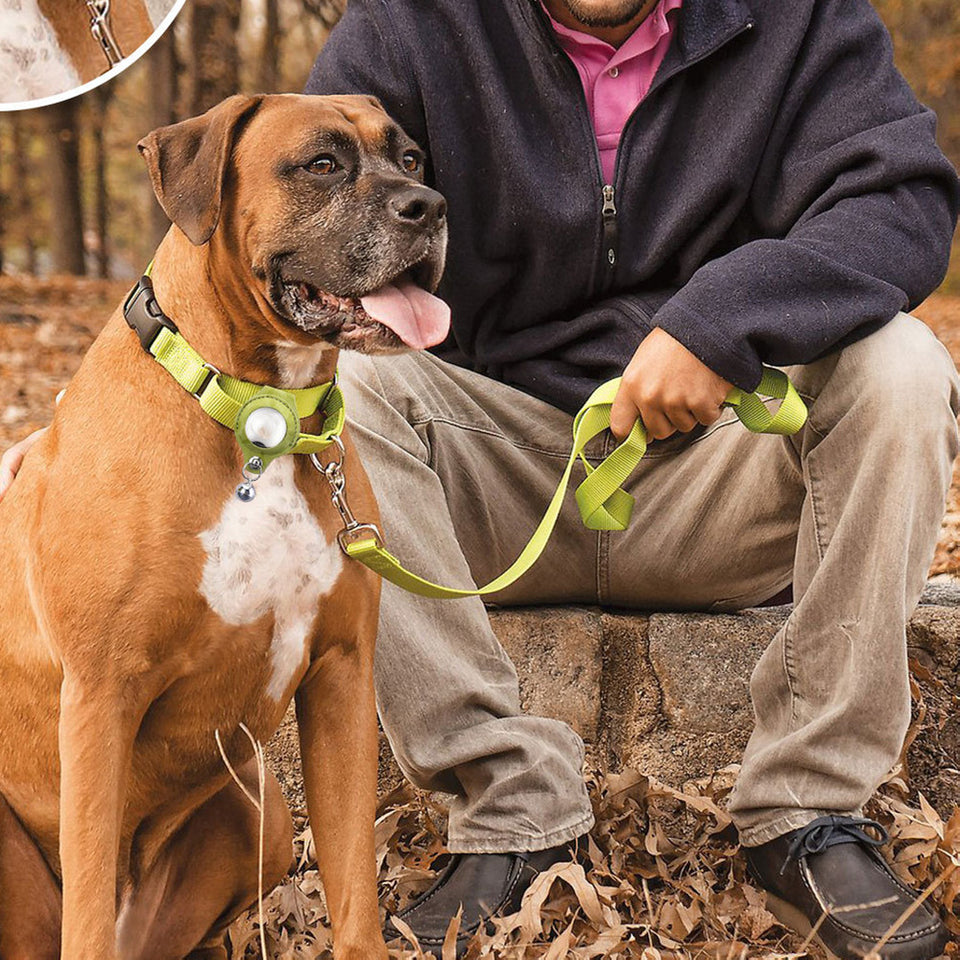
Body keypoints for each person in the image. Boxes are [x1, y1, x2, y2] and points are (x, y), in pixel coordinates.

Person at [2, 1, 958, 956]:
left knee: (902, 368)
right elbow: (284, 237)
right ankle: (511, 812)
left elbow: (903, 200)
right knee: (356, 368)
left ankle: (811, 815)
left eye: (412, 170)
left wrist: (723, 320)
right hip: (488, 480)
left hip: (714, 472)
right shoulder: (413, 24)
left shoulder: (801, 22)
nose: (411, 193)